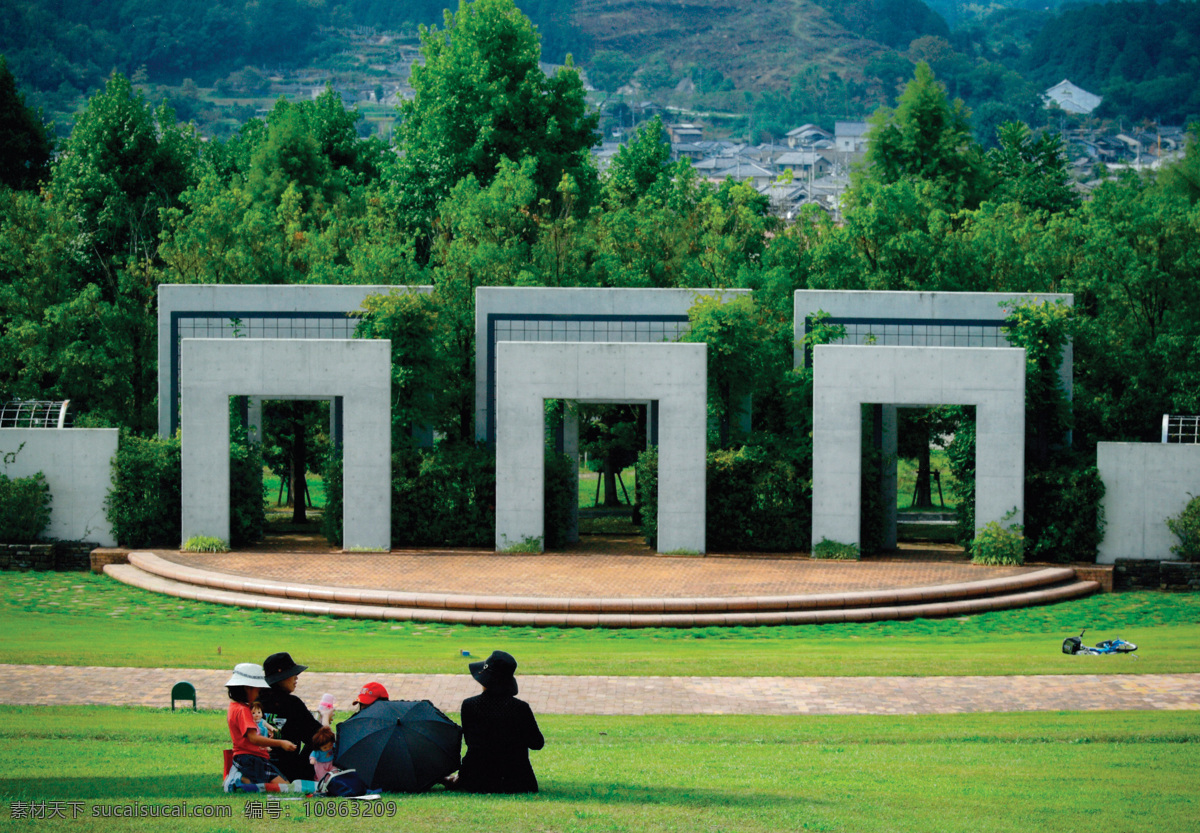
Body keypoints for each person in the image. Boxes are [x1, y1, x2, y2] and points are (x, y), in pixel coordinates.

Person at [451, 650, 544, 794]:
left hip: (478, 779)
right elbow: (537, 743)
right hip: (517, 780)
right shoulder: (520, 708)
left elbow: (471, 742)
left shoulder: (469, 705)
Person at [225, 662, 296, 786]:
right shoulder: (243, 710)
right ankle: (238, 780)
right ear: (248, 687)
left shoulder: (234, 707)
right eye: (258, 690)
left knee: (285, 784)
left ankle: (243, 779)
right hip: (251, 758)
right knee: (283, 787)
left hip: (248, 758)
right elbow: (253, 738)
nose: (259, 694)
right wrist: (281, 743)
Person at [262, 652, 328, 782]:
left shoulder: (257, 701)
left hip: (261, 766)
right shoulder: (292, 704)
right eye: (292, 674)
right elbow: (316, 735)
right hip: (290, 771)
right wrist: (325, 719)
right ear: (281, 677)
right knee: (321, 741)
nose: (296, 677)